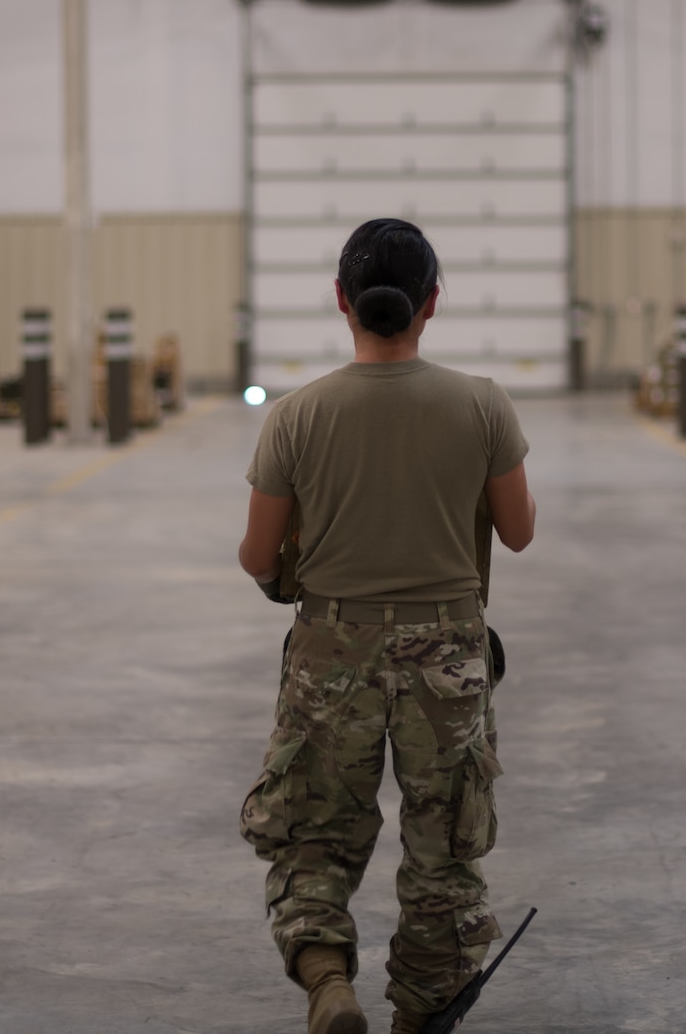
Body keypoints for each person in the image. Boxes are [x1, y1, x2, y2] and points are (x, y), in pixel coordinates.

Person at [237, 217, 537, 1034]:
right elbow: (518, 530)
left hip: (332, 646)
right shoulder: (482, 404)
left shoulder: (298, 415)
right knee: (444, 846)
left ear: (342, 300)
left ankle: (329, 981)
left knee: (313, 830)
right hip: (448, 655)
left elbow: (258, 554)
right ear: (431, 302)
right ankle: (419, 1014)